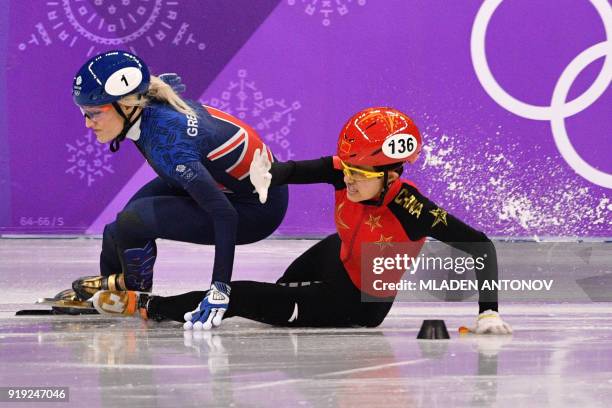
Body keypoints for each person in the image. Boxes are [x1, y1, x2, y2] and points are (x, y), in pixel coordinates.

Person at [91, 107, 512, 334]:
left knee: (241, 297)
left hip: (356, 304)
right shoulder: (346, 170)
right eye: (344, 169)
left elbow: (480, 244)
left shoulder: (412, 209)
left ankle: (152, 307)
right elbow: (292, 169)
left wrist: (488, 312)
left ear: (391, 174)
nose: (345, 179)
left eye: (358, 175)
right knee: (274, 294)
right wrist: (264, 173)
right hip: (336, 255)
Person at [64, 50, 289, 327]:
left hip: (257, 209)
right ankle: (113, 292)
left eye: (94, 113)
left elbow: (225, 214)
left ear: (126, 105)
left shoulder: (170, 146)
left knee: (134, 220)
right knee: (117, 230)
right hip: (234, 181)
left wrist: (219, 289)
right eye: (83, 112)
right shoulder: (147, 107)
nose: (87, 123)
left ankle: (131, 287)